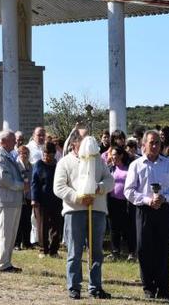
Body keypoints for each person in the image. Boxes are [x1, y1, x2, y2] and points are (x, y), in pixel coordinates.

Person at [54, 129, 115, 300]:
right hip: (75, 211)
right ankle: (74, 286)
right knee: (75, 250)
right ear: (74, 143)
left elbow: (110, 181)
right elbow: (59, 187)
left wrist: (98, 187)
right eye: (83, 140)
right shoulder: (65, 162)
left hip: (97, 210)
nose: (88, 143)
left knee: (96, 250)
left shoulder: (98, 161)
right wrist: (78, 198)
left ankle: (95, 286)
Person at [124, 130, 169, 301]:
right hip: (144, 210)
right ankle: (148, 288)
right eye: (151, 143)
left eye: (157, 143)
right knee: (144, 249)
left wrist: (166, 198)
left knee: (163, 249)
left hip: (163, 210)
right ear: (143, 145)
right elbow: (129, 191)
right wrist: (147, 200)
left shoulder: (167, 164)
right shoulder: (137, 164)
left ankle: (164, 290)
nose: (155, 146)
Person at [0, 130, 26, 272]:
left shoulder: (7, 154)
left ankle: (7, 262)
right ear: (3, 141)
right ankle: (2, 263)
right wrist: (21, 186)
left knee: (11, 234)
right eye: (12, 140)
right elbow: (3, 178)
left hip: (12, 199)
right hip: (5, 200)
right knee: (5, 233)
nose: (15, 143)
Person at [32, 141, 62, 257]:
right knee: (42, 225)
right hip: (41, 200)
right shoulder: (38, 164)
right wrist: (34, 199)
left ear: (54, 154)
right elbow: (34, 182)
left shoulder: (58, 165)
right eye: (44, 154)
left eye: (49, 155)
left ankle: (54, 250)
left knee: (56, 225)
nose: (46, 157)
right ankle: (43, 249)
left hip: (56, 199)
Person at [106, 145, 136, 261]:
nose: (113, 157)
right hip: (113, 202)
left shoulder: (128, 168)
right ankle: (115, 251)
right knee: (114, 228)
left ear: (121, 155)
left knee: (127, 228)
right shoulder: (110, 169)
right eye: (112, 155)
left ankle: (131, 252)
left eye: (115, 155)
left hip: (126, 203)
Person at [15, 144, 34, 249]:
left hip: (28, 197)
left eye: (27, 153)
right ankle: (17, 243)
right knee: (18, 222)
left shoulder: (30, 166)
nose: (25, 155)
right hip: (19, 197)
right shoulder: (16, 166)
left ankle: (27, 242)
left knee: (27, 221)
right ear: (19, 154)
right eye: (23, 153)